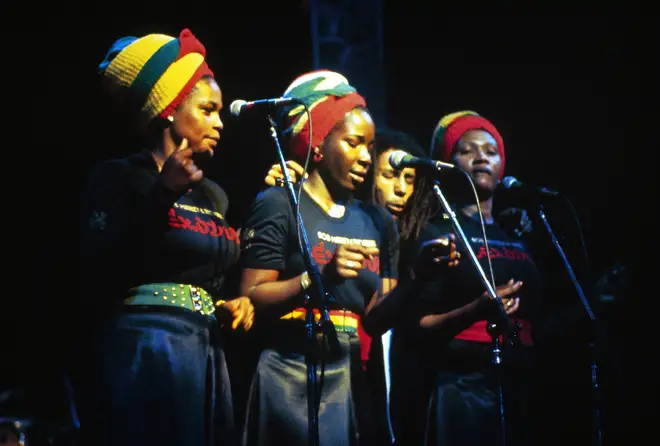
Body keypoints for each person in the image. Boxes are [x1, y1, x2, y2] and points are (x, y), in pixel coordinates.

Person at [75, 29, 254, 446]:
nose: (219, 122)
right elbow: (101, 263)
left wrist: (236, 301)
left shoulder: (214, 194)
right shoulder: (119, 177)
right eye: (208, 109)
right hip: (146, 347)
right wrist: (162, 195)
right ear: (171, 110)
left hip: (205, 349)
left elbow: (211, 272)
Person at [238, 70, 401, 446]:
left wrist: (419, 282)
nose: (366, 157)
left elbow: (377, 318)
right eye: (354, 143)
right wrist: (317, 278)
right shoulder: (280, 203)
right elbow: (251, 295)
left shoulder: (377, 221)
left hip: (351, 373)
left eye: (370, 146)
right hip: (287, 369)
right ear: (319, 144)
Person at [382, 110, 546, 446]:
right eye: (467, 150)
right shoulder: (439, 233)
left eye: (490, 151)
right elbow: (414, 326)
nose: (480, 158)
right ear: (448, 163)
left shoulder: (516, 234)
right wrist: (475, 310)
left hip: (521, 387)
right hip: (460, 389)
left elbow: (540, 320)